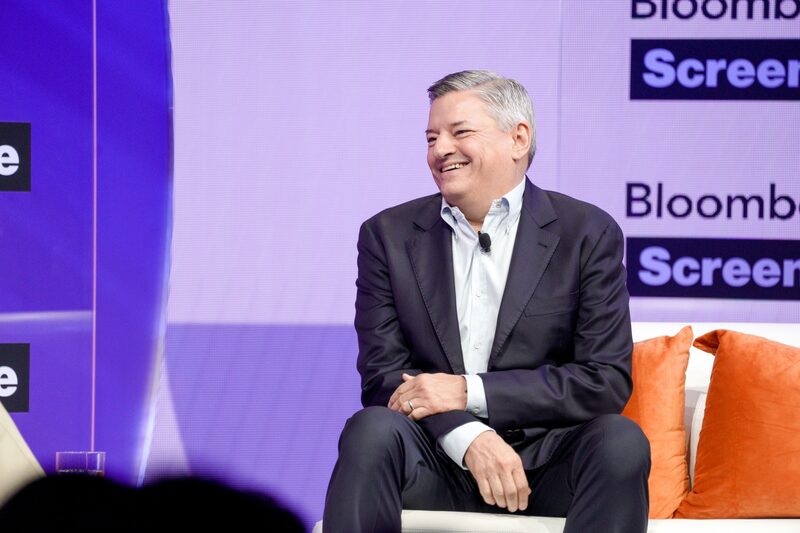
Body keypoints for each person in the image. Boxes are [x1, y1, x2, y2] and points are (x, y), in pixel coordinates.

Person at [324, 70, 650, 533]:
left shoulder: (586, 233)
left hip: (547, 461)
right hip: (437, 457)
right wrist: (469, 436)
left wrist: (468, 391)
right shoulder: (388, 236)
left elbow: (604, 380)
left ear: (519, 138)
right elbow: (383, 377)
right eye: (432, 138)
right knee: (371, 431)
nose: (440, 150)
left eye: (460, 133)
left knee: (620, 441)